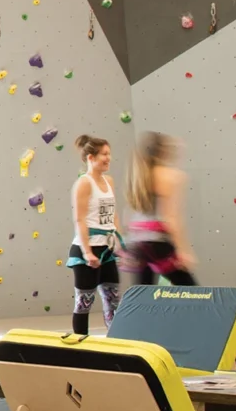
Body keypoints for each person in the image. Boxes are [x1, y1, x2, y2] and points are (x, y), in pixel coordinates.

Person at [126, 131, 199, 285]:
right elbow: (172, 219)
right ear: (164, 152)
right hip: (157, 242)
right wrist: (182, 250)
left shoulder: (139, 175)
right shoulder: (172, 176)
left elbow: (131, 214)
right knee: (191, 290)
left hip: (138, 241)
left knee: (143, 294)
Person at [67, 134, 121, 335]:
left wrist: (118, 242)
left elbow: (112, 214)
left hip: (107, 249)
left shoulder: (109, 181)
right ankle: (81, 345)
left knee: (113, 300)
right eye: (103, 154)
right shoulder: (84, 183)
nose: (108, 158)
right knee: (84, 302)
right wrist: (87, 252)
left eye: (109, 154)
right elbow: (80, 219)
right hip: (87, 250)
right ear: (91, 157)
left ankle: (116, 342)